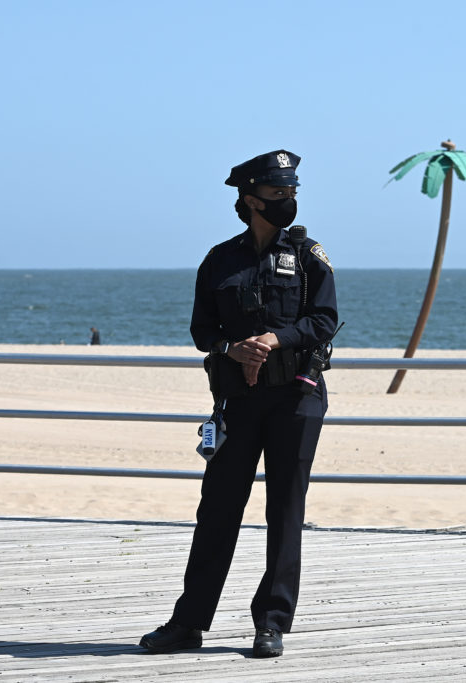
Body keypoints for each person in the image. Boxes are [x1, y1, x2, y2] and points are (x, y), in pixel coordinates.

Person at [140, 150, 338, 658]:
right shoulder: (219, 260)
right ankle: (188, 624)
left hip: (296, 395)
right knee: (218, 511)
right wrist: (233, 347)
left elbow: (323, 320)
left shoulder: (311, 255)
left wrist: (272, 339)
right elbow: (202, 330)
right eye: (277, 194)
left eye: (292, 192)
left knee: (285, 512)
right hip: (239, 400)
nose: (287, 201)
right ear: (250, 200)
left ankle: (271, 623)